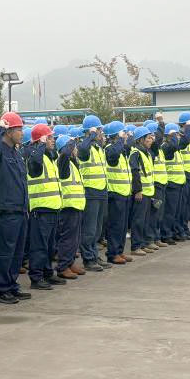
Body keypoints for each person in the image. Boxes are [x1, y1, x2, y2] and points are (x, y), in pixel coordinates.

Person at [0, 112, 31, 305]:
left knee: (17, 253)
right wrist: (0, 128)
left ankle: (12, 285)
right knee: (5, 252)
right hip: (6, 211)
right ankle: (2, 289)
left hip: (20, 209)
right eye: (18, 129)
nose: (22, 133)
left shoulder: (16, 152)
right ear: (8, 131)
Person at [25, 123, 64, 290]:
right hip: (41, 209)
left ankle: (47, 273)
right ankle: (36, 277)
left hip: (52, 207)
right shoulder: (34, 156)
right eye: (49, 137)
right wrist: (40, 144)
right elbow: (35, 164)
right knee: (39, 246)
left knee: (49, 246)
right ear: (40, 140)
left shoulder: (48, 157)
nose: (53, 140)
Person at [75, 115, 108, 273]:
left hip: (101, 191)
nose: (101, 133)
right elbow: (82, 150)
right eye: (99, 130)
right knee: (89, 229)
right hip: (90, 192)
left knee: (97, 229)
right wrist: (91, 135)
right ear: (91, 131)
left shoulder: (97, 148)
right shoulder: (84, 147)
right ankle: (88, 258)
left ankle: (94, 255)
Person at [55, 133, 85, 279]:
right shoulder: (62, 161)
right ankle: (63, 266)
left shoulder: (72, 163)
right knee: (67, 238)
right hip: (68, 206)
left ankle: (70, 262)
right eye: (73, 147)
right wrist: (70, 142)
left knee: (74, 238)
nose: (76, 149)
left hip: (76, 205)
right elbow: (65, 154)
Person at [102, 121, 133, 265]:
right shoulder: (110, 149)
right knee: (115, 225)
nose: (125, 135)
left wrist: (127, 139)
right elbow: (114, 156)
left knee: (123, 226)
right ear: (116, 135)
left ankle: (119, 251)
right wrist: (121, 139)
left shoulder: (121, 149)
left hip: (124, 193)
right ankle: (113, 253)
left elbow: (127, 146)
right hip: (115, 193)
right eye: (123, 133)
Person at [128, 125, 156, 256]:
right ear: (141, 139)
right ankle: (136, 246)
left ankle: (143, 243)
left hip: (148, 191)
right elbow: (135, 172)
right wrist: (138, 190)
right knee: (138, 220)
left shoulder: (147, 153)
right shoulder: (136, 153)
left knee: (145, 220)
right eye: (148, 138)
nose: (151, 140)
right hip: (141, 192)